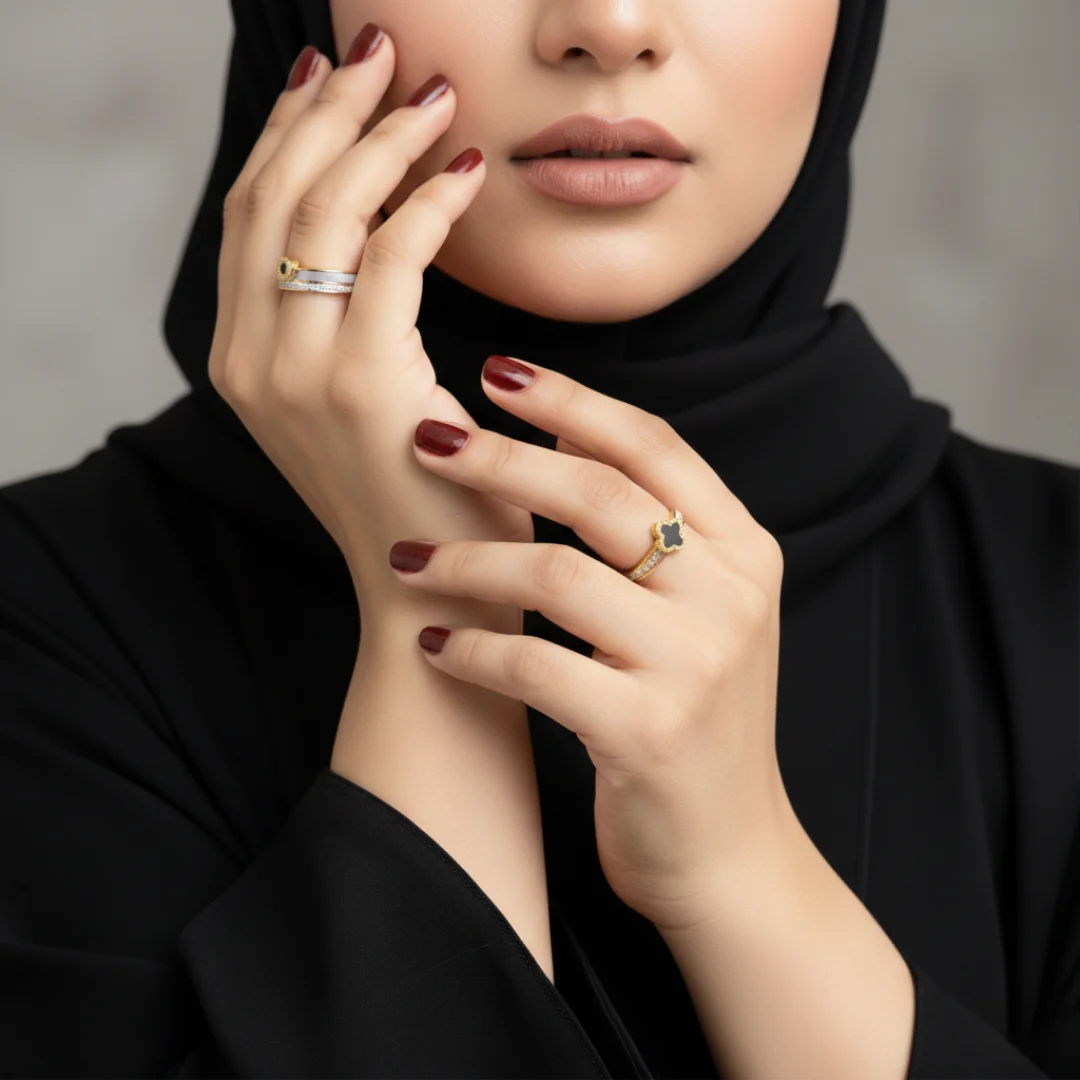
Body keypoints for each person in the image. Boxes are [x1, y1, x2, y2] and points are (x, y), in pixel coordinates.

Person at [1, 0, 1077, 1076]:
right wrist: (438, 615)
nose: (610, 24)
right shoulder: (39, 621)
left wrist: (745, 876)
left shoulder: (1057, 595)